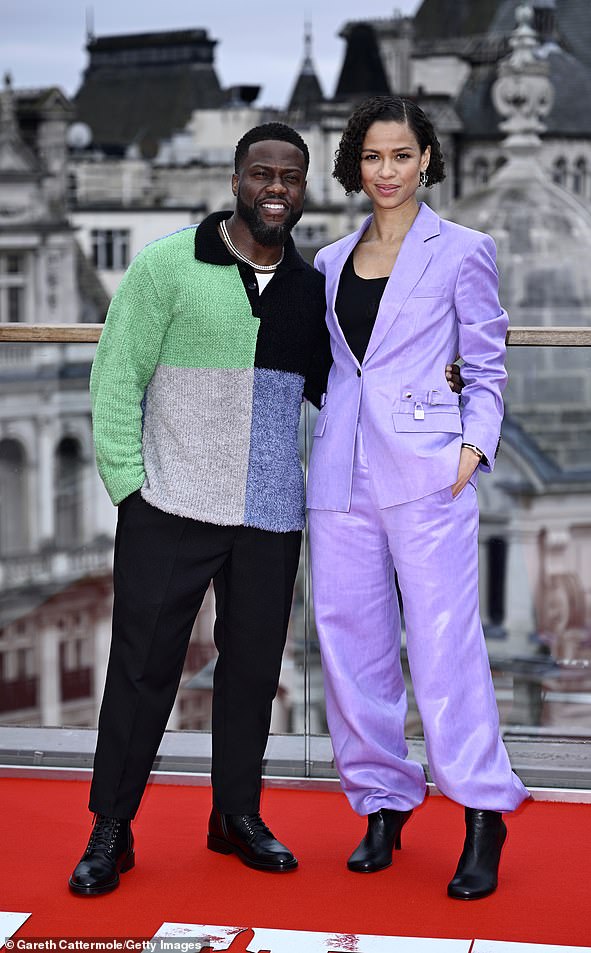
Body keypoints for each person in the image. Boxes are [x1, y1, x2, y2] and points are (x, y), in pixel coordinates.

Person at [69, 123, 332, 895]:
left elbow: (338, 388)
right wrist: (128, 487)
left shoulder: (311, 289)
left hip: (269, 514)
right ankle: (110, 829)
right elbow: (116, 378)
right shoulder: (164, 267)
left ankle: (235, 815)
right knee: (142, 671)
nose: (276, 187)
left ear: (304, 187)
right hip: (169, 504)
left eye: (290, 176)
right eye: (262, 173)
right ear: (235, 180)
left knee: (252, 672)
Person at [306, 96, 529, 900]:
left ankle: (480, 809)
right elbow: (332, 368)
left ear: (427, 158)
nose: (387, 171)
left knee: (445, 646)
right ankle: (382, 800)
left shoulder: (464, 249)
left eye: (401, 156)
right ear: (355, 166)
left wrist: (472, 447)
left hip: (430, 470)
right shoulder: (329, 261)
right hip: (340, 473)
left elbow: (488, 359)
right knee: (349, 644)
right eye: (373, 157)